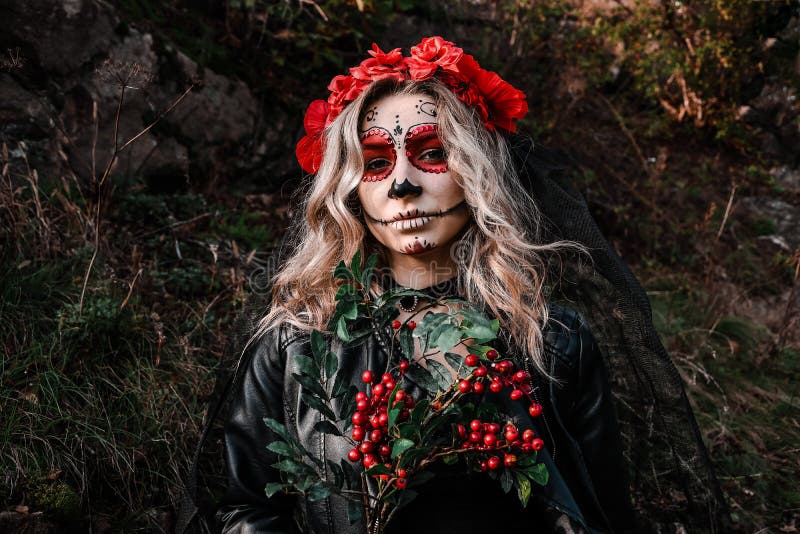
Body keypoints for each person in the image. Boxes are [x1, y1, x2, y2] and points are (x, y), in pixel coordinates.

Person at [210, 37, 725, 534]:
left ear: (477, 173)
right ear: (348, 189)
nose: (402, 184)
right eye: (376, 163)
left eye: (432, 153)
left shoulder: (551, 342)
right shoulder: (299, 341)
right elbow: (242, 507)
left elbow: (601, 509)